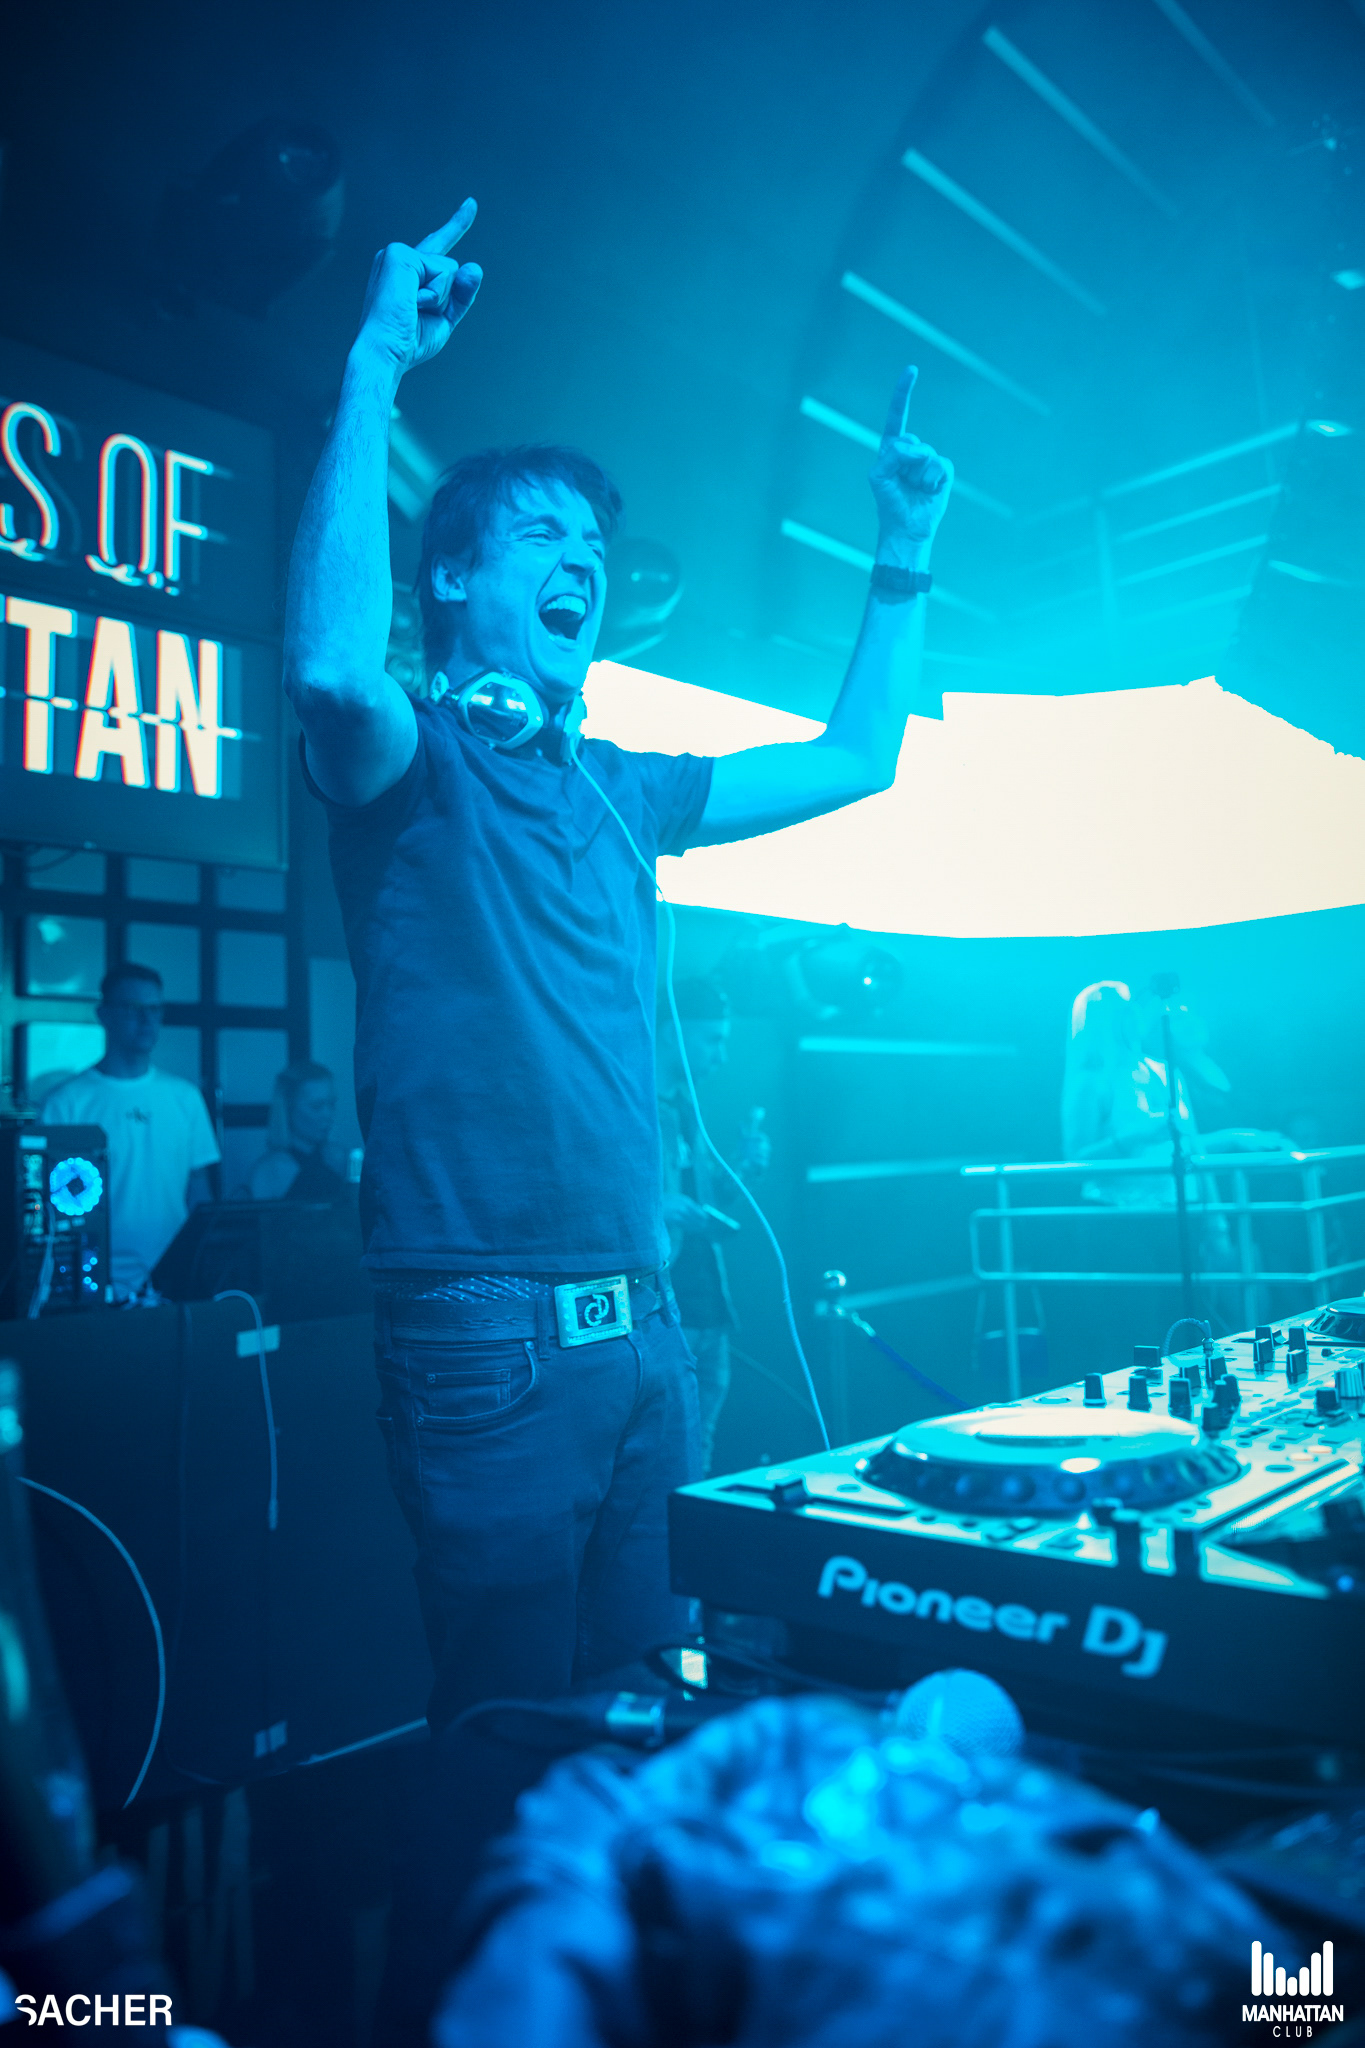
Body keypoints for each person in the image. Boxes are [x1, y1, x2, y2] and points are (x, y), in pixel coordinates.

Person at [282, 197, 951, 2013]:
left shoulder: (625, 789)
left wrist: (900, 557)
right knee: (504, 1748)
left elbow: (860, 760)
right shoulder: (414, 761)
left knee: (638, 1731)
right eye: (541, 536)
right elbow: (330, 668)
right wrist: (375, 359)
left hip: (647, 1329)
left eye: (593, 540)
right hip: (483, 1328)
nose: (581, 556)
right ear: (454, 581)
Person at [42, 965, 219, 1301]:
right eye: (132, 1008)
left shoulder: (184, 1097)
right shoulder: (67, 1102)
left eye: (155, 1008)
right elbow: (50, 1206)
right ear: (104, 1014)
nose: (146, 1019)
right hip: (92, 1280)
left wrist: (201, 1261)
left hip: (173, 1278)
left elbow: (199, 1189)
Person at [656, 977, 769, 1472]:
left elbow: (703, 1201)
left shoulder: (686, 1106)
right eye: (711, 1039)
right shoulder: (630, 1110)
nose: (721, 1056)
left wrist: (744, 1167)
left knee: (696, 1455)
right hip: (663, 1314)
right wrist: (655, 1207)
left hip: (708, 1313)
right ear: (671, 1032)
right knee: (662, 1460)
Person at [244, 1059, 347, 1202]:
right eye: (316, 1106)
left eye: (331, 1105)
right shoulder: (269, 1172)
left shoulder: (340, 1159)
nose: (328, 1115)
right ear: (288, 1108)